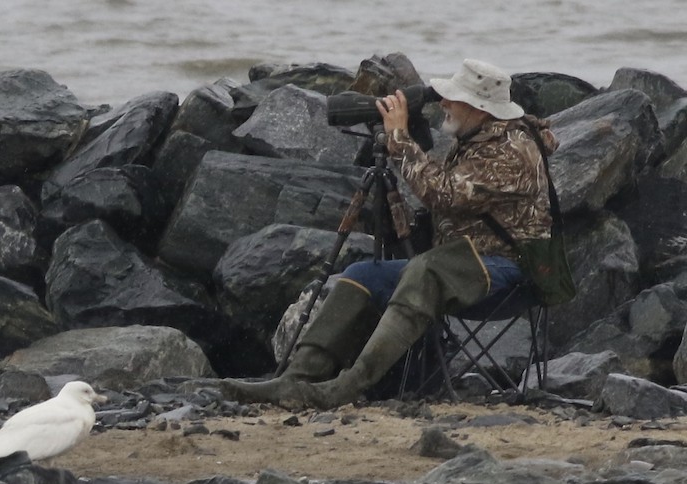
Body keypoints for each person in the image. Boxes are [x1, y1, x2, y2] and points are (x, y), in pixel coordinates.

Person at [222, 58, 558, 410]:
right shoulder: (475, 137)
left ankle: (348, 386)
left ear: (479, 108)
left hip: (513, 269)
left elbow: (441, 193)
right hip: (462, 263)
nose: (442, 103)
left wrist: (399, 137)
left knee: (424, 269)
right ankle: (296, 378)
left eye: (452, 98)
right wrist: (412, 138)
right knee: (362, 276)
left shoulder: (515, 151)